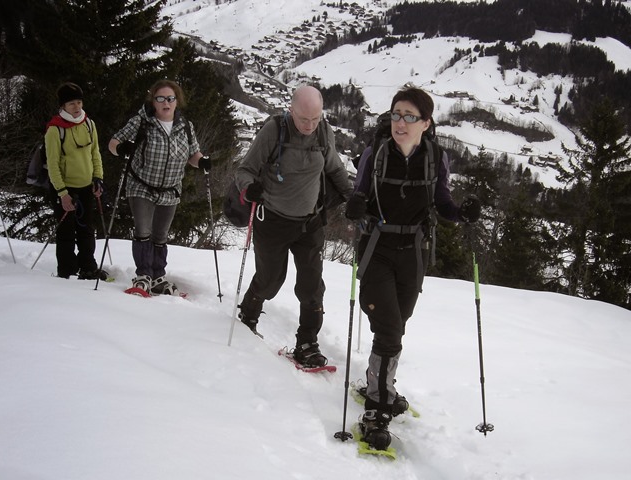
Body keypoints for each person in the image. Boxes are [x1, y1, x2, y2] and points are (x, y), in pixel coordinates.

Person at [344, 86, 481, 449]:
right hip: (377, 248)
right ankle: (377, 406)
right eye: (395, 115)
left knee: (398, 324)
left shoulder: (436, 157)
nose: (400, 123)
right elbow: (359, 196)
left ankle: (380, 384)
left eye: (409, 117)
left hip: (414, 252)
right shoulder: (376, 153)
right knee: (389, 327)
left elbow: (443, 203)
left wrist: (461, 214)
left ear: (426, 123)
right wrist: (356, 206)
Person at [234, 85, 352, 367]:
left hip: (310, 222)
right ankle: (248, 315)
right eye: (303, 119)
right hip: (273, 219)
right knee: (271, 279)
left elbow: (334, 167)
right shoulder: (274, 130)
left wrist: (353, 196)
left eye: (315, 118)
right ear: (291, 111)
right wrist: (249, 189)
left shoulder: (324, 132)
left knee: (312, 286)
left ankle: (307, 342)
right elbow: (245, 169)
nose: (310, 125)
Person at [108, 79, 210, 295]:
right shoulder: (142, 121)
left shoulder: (186, 126)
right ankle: (143, 275)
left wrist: (201, 162)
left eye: (170, 98)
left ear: (177, 101)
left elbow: (193, 154)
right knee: (143, 230)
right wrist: (121, 149)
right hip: (141, 185)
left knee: (161, 235)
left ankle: (158, 277)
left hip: (170, 189)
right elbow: (113, 143)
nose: (166, 102)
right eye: (160, 98)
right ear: (153, 101)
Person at [45, 82, 108, 280]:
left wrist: (98, 178)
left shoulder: (89, 124)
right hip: (65, 188)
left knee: (86, 230)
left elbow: (95, 152)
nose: (77, 107)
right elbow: (52, 164)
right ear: (63, 106)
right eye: (72, 103)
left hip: (87, 186)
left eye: (79, 102)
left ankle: (88, 266)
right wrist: (62, 193)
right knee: (66, 232)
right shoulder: (55, 130)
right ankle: (66, 271)